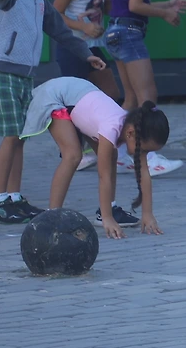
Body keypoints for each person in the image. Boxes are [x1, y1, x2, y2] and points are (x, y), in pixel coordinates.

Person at [0, 0, 107, 225]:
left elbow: (60, 31)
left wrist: (85, 54)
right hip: (4, 73)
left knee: (21, 137)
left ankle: (14, 196)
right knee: (11, 136)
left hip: (24, 76)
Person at [20, 77, 169, 239]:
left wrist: (148, 213)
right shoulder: (111, 128)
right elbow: (104, 176)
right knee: (73, 155)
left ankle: (108, 208)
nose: (144, 154)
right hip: (55, 96)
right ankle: (52, 217)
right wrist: (108, 219)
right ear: (130, 133)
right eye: (145, 150)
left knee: (111, 155)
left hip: (79, 95)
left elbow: (144, 173)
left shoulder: (132, 126)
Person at [105, 0, 186, 175]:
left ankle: (114, 151)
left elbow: (127, 5)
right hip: (129, 34)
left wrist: (166, 4)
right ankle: (146, 156)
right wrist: (165, 14)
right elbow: (135, 5)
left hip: (116, 32)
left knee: (131, 98)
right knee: (147, 96)